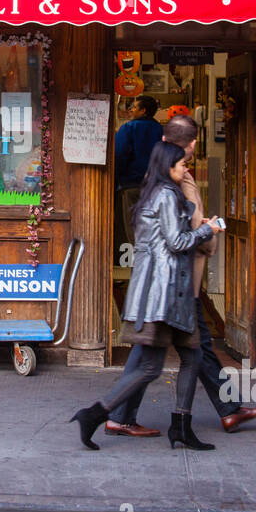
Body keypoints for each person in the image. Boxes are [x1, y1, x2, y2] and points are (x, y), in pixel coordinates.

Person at [106, 114, 256, 437]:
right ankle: (113, 413)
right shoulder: (175, 178)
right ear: (193, 144)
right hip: (176, 282)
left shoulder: (163, 171)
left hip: (173, 281)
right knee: (160, 350)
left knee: (191, 348)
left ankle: (228, 409)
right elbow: (185, 235)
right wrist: (209, 231)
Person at [71, 141, 223, 450]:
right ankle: (95, 414)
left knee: (192, 357)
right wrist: (209, 230)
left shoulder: (154, 193)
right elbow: (178, 242)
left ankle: (180, 425)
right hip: (165, 296)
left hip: (167, 294)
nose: (185, 168)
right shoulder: (166, 195)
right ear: (168, 168)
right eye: (181, 165)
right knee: (154, 367)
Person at [114, 95, 162, 243]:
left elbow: (119, 155)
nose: (131, 110)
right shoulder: (160, 130)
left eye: (134, 107)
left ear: (143, 111)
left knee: (133, 227)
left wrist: (118, 179)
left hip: (132, 185)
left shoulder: (129, 128)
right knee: (153, 227)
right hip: (156, 187)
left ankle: (140, 262)